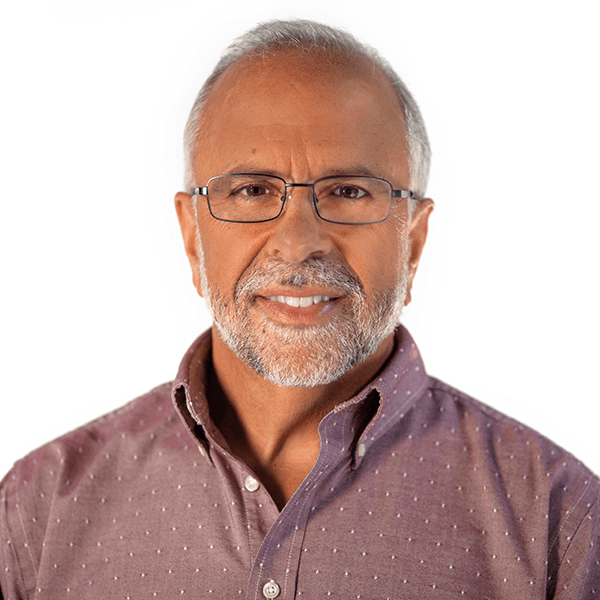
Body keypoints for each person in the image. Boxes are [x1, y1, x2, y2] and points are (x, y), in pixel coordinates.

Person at [1, 18, 598, 600]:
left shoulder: (560, 523)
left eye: (349, 192)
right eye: (252, 190)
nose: (298, 240)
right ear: (192, 237)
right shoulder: (35, 515)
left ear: (413, 241)